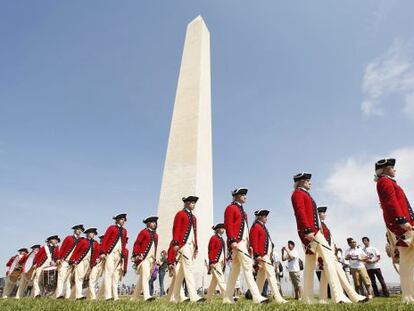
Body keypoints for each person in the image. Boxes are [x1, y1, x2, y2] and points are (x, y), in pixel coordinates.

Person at [291, 172, 360, 304]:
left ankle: (307, 298)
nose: (310, 182)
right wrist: (307, 230)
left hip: (313, 232)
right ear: (300, 182)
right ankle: (338, 295)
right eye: (307, 181)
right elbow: (300, 212)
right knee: (330, 259)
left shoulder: (304, 194)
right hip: (311, 232)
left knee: (311, 266)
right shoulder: (298, 194)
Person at [374, 158, 414, 303]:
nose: (395, 169)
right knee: (406, 262)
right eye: (392, 167)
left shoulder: (387, 182)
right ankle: (408, 296)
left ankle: (408, 296)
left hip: (405, 223)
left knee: (406, 261)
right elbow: (391, 203)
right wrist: (402, 221)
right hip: (402, 225)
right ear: (384, 170)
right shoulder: (385, 182)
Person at [223, 188, 268, 304]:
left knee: (235, 271)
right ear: (236, 196)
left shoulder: (243, 212)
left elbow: (245, 229)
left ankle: (227, 298)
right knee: (248, 266)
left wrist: (249, 245)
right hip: (237, 242)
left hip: (243, 243)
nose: (245, 197)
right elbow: (229, 225)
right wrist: (232, 240)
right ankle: (257, 296)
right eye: (243, 195)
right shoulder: (230, 208)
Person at [170, 196, 204, 303]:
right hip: (183, 245)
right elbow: (176, 229)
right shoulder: (180, 214)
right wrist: (175, 243)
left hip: (190, 246)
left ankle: (173, 298)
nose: (194, 205)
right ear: (187, 203)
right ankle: (194, 296)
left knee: (180, 273)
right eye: (192, 203)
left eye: (194, 203)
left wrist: (196, 246)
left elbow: (194, 233)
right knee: (188, 269)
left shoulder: (193, 217)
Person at [250, 210, 287, 303]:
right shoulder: (256, 226)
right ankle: (278, 298)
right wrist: (257, 255)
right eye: (264, 216)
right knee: (271, 275)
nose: (266, 218)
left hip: (266, 255)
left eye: (266, 216)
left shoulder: (262, 227)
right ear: (259, 217)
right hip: (262, 255)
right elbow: (254, 242)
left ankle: (256, 297)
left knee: (260, 278)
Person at [100, 213, 128, 300]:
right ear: (117, 220)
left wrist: (123, 255)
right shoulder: (111, 228)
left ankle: (115, 296)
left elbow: (123, 244)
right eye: (122, 219)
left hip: (119, 255)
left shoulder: (124, 231)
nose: (123, 221)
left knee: (115, 275)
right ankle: (108, 296)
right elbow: (105, 240)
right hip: (110, 253)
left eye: (124, 220)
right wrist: (103, 252)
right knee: (108, 274)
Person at [131, 216, 158, 302]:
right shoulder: (143, 232)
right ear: (148, 223)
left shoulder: (156, 235)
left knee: (143, 277)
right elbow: (137, 243)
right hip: (143, 258)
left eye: (155, 222)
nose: (154, 224)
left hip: (151, 259)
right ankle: (147, 296)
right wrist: (136, 254)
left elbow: (154, 248)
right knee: (146, 276)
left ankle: (134, 298)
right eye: (152, 222)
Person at [68, 227, 100, 299]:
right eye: (92, 233)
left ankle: (74, 295)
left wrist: (97, 258)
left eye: (94, 234)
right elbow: (76, 250)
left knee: (83, 278)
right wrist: (73, 260)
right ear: (88, 234)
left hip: (89, 263)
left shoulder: (95, 243)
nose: (93, 235)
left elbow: (98, 252)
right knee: (79, 277)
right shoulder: (82, 241)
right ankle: (78, 296)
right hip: (80, 261)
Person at [55, 224, 84, 299]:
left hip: (73, 262)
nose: (79, 231)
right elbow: (62, 248)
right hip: (65, 260)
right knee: (61, 278)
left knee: (68, 280)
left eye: (80, 230)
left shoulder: (81, 240)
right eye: (78, 229)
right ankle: (59, 295)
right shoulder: (68, 238)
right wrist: (58, 258)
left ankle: (67, 296)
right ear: (74, 230)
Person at [205, 223, 227, 301]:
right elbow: (210, 251)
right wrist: (212, 262)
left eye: (223, 228)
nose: (223, 229)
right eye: (222, 228)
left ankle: (208, 299)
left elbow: (222, 252)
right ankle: (227, 297)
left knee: (213, 283)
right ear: (218, 229)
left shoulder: (221, 239)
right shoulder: (213, 238)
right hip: (215, 263)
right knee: (221, 280)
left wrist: (224, 260)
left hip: (220, 263)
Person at [88, 235, 104, 300]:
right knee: (92, 280)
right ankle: (93, 297)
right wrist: (98, 258)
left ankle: (89, 295)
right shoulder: (98, 246)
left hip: (101, 267)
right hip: (95, 265)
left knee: (94, 281)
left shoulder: (107, 248)